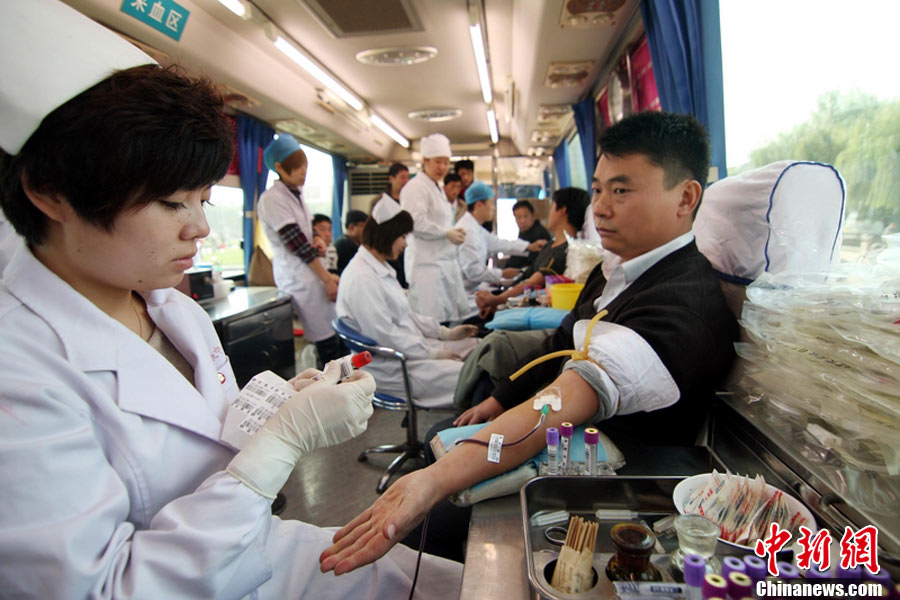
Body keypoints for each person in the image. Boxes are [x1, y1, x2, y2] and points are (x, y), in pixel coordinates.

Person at [0, 2, 463, 598]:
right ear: (51, 193)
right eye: (172, 203)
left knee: (454, 583)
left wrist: (280, 404)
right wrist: (282, 440)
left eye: (203, 200)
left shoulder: (169, 308)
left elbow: (205, 438)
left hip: (260, 553)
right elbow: (104, 589)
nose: (198, 228)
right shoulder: (19, 371)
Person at [318, 111, 738, 576]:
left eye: (621, 191)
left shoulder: (683, 303)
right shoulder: (615, 271)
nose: (600, 208)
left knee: (434, 512)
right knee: (443, 435)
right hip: (569, 439)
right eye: (598, 190)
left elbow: (562, 400)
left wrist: (435, 481)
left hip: (613, 473)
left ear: (686, 197)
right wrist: (500, 398)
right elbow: (560, 344)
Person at [336, 199, 478, 407]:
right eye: (403, 237)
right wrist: (432, 354)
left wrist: (445, 334)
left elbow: (406, 316)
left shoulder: (380, 269)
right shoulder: (362, 278)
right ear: (388, 235)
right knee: (476, 376)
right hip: (394, 367)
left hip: (409, 350)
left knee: (478, 348)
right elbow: (384, 336)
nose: (406, 244)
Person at [258, 136, 347, 364]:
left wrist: (316, 237)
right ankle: (332, 383)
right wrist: (327, 279)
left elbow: (306, 230)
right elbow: (297, 244)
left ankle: (343, 380)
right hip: (298, 278)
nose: (303, 174)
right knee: (326, 344)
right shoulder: (272, 199)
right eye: (297, 169)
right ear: (279, 167)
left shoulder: (295, 194)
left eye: (304, 168)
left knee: (335, 338)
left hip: (312, 273)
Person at [474, 187, 590, 319]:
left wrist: (496, 300)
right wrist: (499, 299)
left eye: (552, 207)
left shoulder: (566, 250)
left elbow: (532, 282)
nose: (549, 212)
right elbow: (527, 275)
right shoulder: (550, 245)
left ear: (562, 210)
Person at [400, 134, 471, 323]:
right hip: (425, 267)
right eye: (438, 162)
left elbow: (440, 220)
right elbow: (415, 222)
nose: (442, 167)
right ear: (425, 161)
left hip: (441, 265)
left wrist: (452, 230)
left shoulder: (436, 188)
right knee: (431, 324)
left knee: (445, 323)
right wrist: (446, 233)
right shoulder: (415, 187)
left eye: (446, 162)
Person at [456, 181, 546, 294]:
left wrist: (529, 246)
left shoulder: (475, 228)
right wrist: (502, 273)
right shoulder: (467, 231)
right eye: (491, 204)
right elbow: (473, 271)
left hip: (470, 289)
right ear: (479, 205)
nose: (494, 208)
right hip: (464, 293)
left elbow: (498, 243)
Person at [373, 162, 410, 288]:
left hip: (406, 249)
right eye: (402, 177)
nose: (406, 181)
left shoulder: (409, 200)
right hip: (388, 249)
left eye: (407, 177)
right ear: (391, 178)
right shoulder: (380, 201)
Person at [505, 199, 552, 269]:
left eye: (526, 216)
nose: (522, 221)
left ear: (533, 216)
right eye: (518, 217)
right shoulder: (524, 231)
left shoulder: (540, 234)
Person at [332, 209, 368, 275]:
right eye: (363, 226)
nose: (366, 230)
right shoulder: (344, 245)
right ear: (351, 227)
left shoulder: (354, 243)